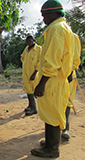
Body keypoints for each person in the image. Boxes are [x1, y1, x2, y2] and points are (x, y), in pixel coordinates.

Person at [31, 0, 75, 158]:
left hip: (52, 80)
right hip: (58, 79)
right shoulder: (65, 28)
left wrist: (41, 84)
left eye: (44, 15)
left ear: (52, 13)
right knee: (53, 111)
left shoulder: (56, 29)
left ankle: (52, 148)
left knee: (52, 114)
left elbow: (53, 60)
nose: (43, 19)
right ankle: (50, 142)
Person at [62, 33, 81, 140]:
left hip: (68, 75)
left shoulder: (73, 37)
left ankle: (65, 129)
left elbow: (75, 56)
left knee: (67, 102)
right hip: (56, 76)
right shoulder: (53, 34)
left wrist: (70, 70)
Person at [21, 35, 42, 116]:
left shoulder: (39, 49)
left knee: (32, 91)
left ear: (33, 40)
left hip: (34, 74)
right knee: (27, 90)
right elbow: (22, 57)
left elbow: (40, 62)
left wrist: (34, 73)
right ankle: (30, 106)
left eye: (30, 41)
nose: (28, 43)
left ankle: (34, 109)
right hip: (26, 73)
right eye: (27, 42)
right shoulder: (26, 49)